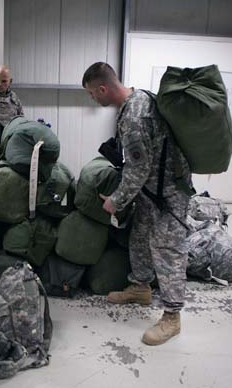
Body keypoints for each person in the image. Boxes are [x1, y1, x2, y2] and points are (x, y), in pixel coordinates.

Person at [82, 62, 192, 346]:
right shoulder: (136, 100)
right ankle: (140, 287)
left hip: (167, 194)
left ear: (103, 88)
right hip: (150, 190)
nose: (93, 99)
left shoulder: (136, 115)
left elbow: (137, 169)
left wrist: (115, 201)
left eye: (93, 94)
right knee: (141, 235)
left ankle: (172, 317)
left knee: (168, 250)